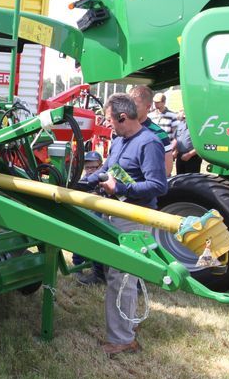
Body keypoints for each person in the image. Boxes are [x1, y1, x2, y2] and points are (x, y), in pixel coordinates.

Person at [85, 93, 168, 356]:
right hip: (115, 212)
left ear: (123, 117)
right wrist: (83, 182)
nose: (107, 124)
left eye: (109, 119)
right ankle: (127, 328)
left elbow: (158, 186)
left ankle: (122, 339)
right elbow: (107, 169)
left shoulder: (149, 143)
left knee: (121, 278)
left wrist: (120, 187)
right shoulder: (119, 140)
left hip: (133, 218)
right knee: (120, 276)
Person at [73, 151, 106, 285]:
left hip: (99, 217)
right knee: (79, 240)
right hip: (85, 216)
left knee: (98, 243)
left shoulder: (103, 180)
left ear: (101, 166)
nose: (90, 170)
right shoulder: (82, 181)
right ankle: (77, 266)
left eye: (94, 167)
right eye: (87, 167)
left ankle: (97, 271)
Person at [129, 85, 173, 176]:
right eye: (129, 105)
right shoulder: (121, 130)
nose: (130, 110)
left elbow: (167, 169)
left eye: (135, 107)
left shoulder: (159, 134)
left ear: (148, 107)